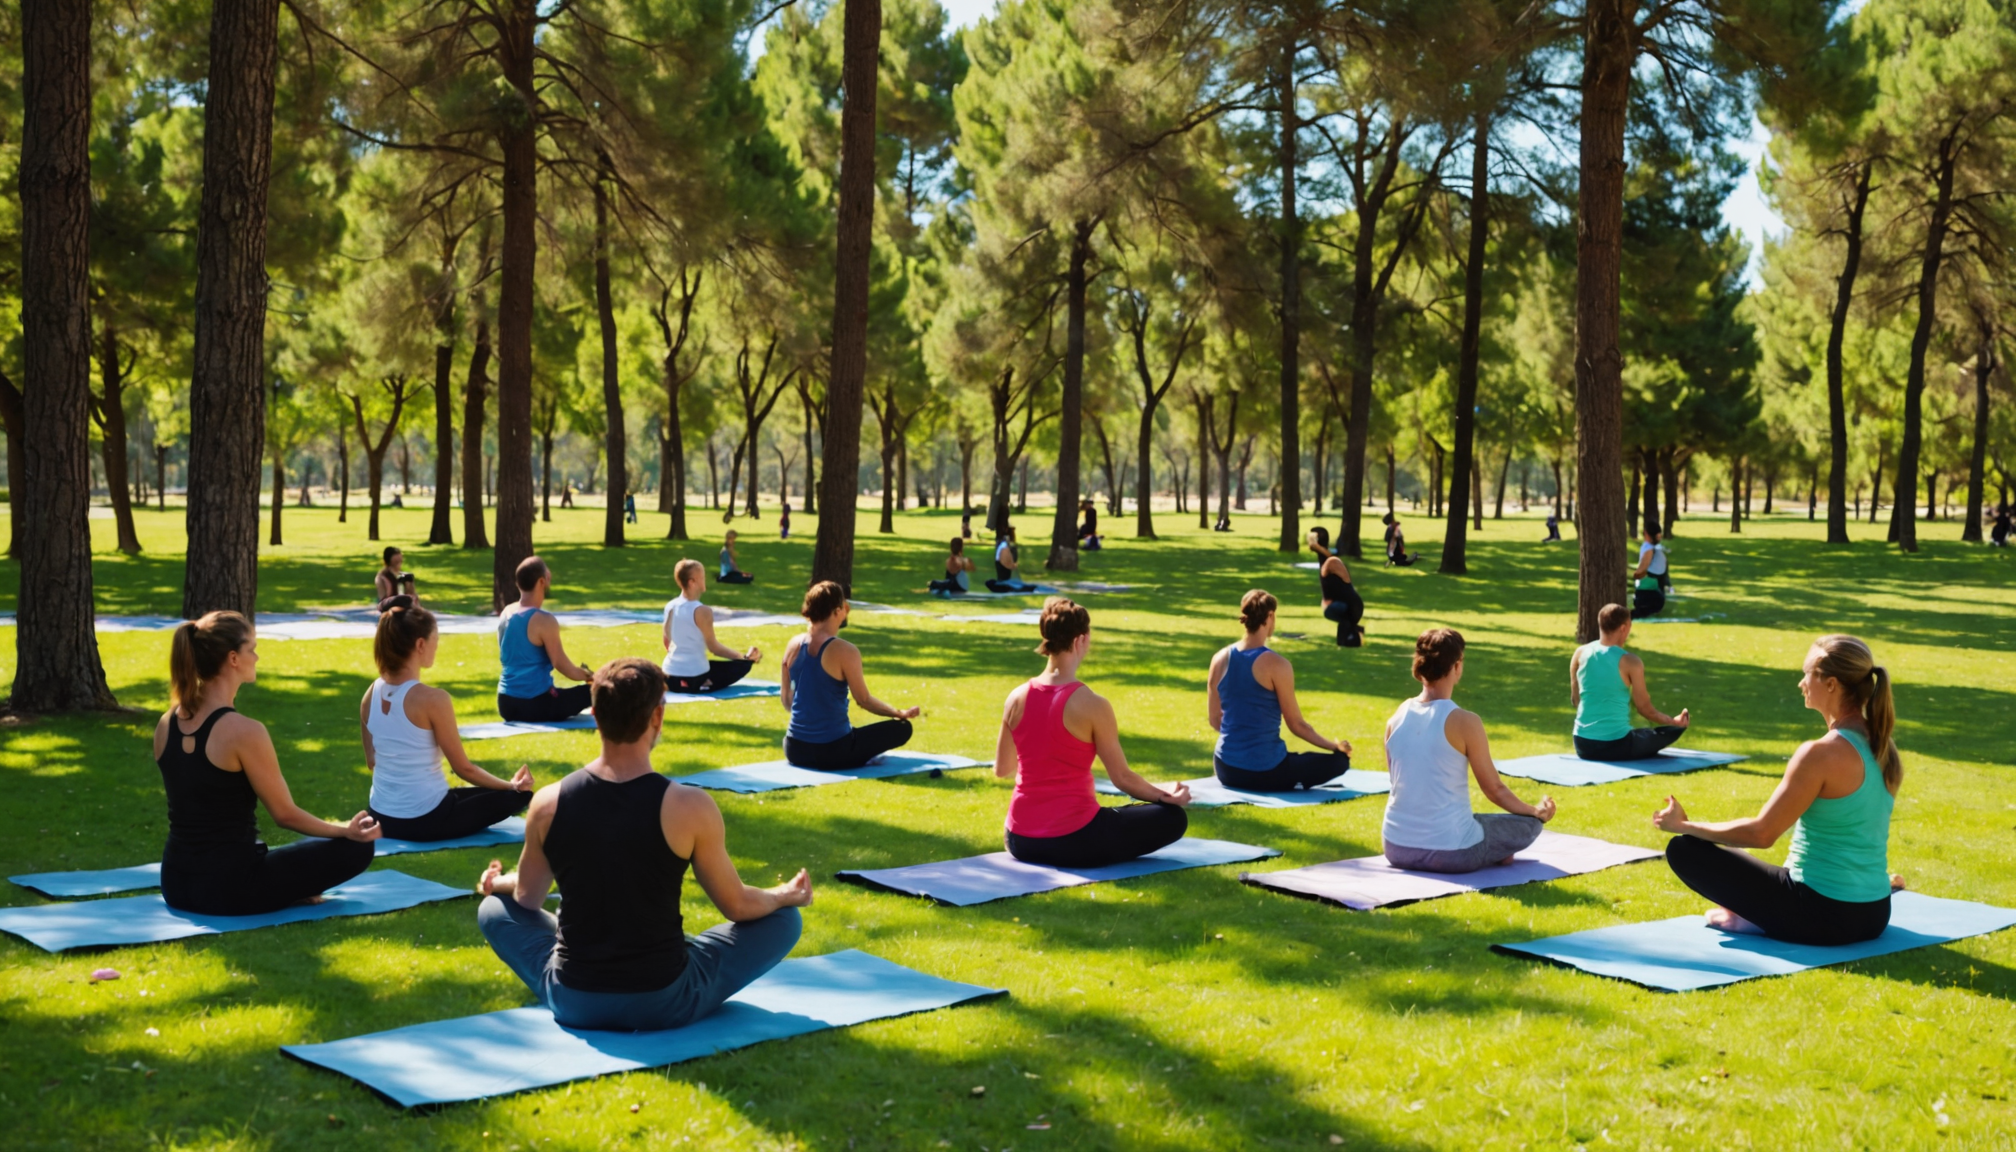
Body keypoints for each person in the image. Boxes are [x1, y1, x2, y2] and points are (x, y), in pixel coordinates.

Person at [476, 658, 810, 1032]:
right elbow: (737, 905)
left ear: (596, 715)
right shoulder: (690, 806)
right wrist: (782, 895)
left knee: (493, 909)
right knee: (784, 919)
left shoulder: (548, 803)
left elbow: (526, 897)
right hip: (664, 999)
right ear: (657, 717)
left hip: (575, 999)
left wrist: (498, 883)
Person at [1654, 634, 1902, 945]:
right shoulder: (1884, 747)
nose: (1801, 683)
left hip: (1822, 916)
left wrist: (1685, 825)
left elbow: (1762, 834)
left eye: (1807, 673)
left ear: (1831, 684)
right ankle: (1757, 914)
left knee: (1685, 849)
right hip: (1875, 913)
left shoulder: (1820, 754)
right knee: (1737, 856)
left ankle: (1754, 919)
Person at [155, 612, 379, 915]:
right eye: (252, 649)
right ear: (233, 658)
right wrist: (345, 831)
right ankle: (286, 892)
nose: (257, 657)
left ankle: (287, 890)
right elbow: (285, 815)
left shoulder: (166, 724)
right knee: (358, 848)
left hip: (175, 884)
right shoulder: (244, 731)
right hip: (229, 889)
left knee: (293, 856)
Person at [996, 598, 1191, 868]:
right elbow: (1121, 778)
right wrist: (1164, 795)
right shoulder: (1092, 704)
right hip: (1074, 840)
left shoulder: (1015, 698)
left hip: (1019, 839)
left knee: (1113, 816)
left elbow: (1002, 767)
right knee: (1173, 818)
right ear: (1081, 641)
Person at [1382, 628, 1556, 874]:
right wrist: (1535, 812)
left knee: (1483, 824)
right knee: (1529, 825)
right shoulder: (1465, 721)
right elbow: (1493, 789)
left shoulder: (1396, 717)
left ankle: (1496, 851)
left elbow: (1399, 783)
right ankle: (1497, 851)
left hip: (1396, 847)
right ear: (1457, 666)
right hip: (1451, 851)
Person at [362, 601, 534, 840]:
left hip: (380, 816)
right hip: (425, 820)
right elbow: (463, 769)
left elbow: (372, 760)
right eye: (436, 640)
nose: (437, 646)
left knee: (470, 795)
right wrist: (511, 786)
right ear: (420, 644)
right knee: (520, 796)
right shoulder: (433, 699)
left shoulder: (371, 693)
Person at [1208, 590, 1353, 791]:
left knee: (1294, 760)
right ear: (1269, 617)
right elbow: (1297, 725)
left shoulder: (1219, 659)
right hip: (1265, 771)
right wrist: (1335, 747)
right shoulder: (1277, 664)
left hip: (1226, 769)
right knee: (1339, 762)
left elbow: (1215, 720)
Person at [780, 581, 920, 770]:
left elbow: (787, 702)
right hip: (832, 752)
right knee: (902, 729)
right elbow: (863, 700)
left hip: (794, 749)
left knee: (850, 734)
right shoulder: (845, 650)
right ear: (837, 611)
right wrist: (898, 713)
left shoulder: (793, 644)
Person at [1569, 603, 1691, 761]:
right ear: (1623, 628)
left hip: (1582, 744)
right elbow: (1645, 709)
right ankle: (1678, 725)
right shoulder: (1631, 662)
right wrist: (1673, 722)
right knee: (1664, 733)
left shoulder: (1580, 653)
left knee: (1639, 734)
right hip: (1616, 745)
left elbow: (1575, 700)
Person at [497, 556, 595, 722]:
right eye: (548, 577)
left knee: (563, 694)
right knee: (600, 690)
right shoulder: (543, 620)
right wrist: (591, 676)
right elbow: (562, 665)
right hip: (535, 704)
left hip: (506, 703)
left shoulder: (507, 612)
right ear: (542, 581)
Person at [661, 559, 761, 693]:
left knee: (714, 666)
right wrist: (742, 658)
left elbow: (667, 642)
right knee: (742, 666)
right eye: (702, 577)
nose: (705, 580)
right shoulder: (702, 611)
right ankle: (748, 659)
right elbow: (714, 648)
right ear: (692, 582)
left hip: (669, 676)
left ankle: (746, 659)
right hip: (694, 679)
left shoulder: (670, 606)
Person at [1307, 526, 1364, 647]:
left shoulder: (1332, 562)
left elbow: (1330, 557)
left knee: (1331, 611)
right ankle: (1354, 634)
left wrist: (1317, 547)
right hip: (1347, 605)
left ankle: (1352, 637)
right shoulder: (1326, 562)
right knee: (1339, 619)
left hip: (1352, 605)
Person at [987, 527, 1035, 593]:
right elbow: (1008, 564)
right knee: (1024, 588)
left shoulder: (1003, 546)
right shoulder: (1004, 548)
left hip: (1005, 579)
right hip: (1005, 580)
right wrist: (1013, 565)